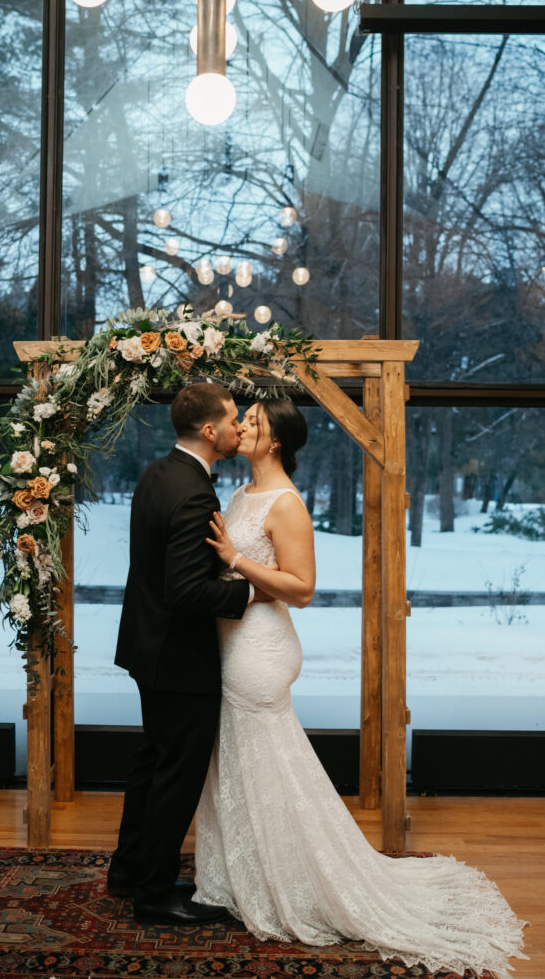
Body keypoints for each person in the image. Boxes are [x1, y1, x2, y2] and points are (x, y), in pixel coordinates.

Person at [193, 398, 527, 979]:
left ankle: (295, 882)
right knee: (239, 761)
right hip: (229, 637)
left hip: (259, 646)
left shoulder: (287, 503)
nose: (241, 426)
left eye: (252, 421)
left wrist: (236, 560)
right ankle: (242, 875)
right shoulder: (242, 494)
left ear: (274, 441)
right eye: (241, 417)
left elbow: (301, 589)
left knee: (265, 761)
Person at [108, 381, 272, 926]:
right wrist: (250, 591)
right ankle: (153, 896)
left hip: (145, 646)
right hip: (178, 658)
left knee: (151, 763)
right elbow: (186, 592)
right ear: (209, 430)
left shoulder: (158, 474)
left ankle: (129, 872)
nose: (237, 429)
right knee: (175, 776)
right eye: (231, 420)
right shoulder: (195, 491)